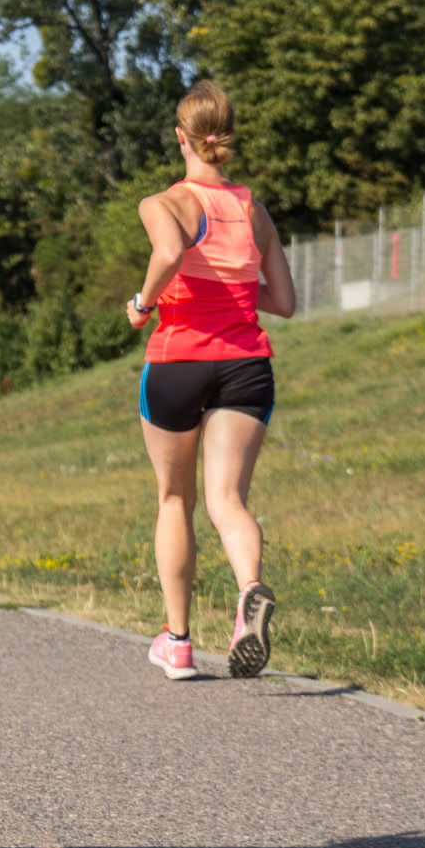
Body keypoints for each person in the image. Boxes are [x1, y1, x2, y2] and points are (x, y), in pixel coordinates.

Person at [128, 80, 296, 682]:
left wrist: (143, 303)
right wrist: (231, 284)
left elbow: (170, 251)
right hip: (247, 365)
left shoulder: (162, 203)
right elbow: (285, 301)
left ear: (182, 138)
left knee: (176, 499)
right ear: (226, 137)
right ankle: (250, 589)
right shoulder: (255, 211)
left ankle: (177, 645)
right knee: (229, 501)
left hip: (178, 362)